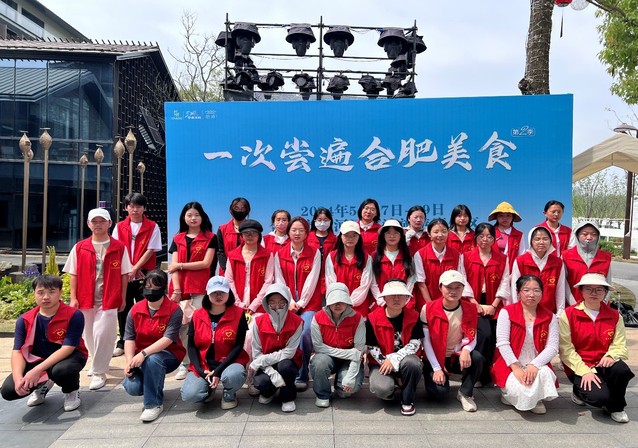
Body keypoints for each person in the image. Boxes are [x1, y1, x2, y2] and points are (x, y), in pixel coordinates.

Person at [63, 207, 132, 391]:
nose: (98, 224)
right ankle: (97, 363)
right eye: (94, 221)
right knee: (88, 335)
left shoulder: (119, 247)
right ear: (88, 224)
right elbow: (73, 274)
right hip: (85, 299)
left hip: (109, 299)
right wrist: (73, 297)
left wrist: (123, 297)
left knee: (104, 334)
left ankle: (99, 372)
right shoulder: (80, 247)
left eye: (102, 221)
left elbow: (124, 274)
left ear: (110, 223)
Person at [1, 275, 87, 412]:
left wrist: (36, 371)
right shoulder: (24, 319)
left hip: (68, 357)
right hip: (37, 359)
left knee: (62, 371)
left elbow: (68, 348)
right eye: (40, 292)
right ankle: (43, 384)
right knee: (9, 391)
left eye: (51, 292)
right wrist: (18, 378)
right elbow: (17, 351)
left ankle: (71, 390)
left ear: (60, 292)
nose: (46, 297)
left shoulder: (74, 315)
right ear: (34, 294)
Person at [559, 273, 635, 423]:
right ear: (581, 291)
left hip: (604, 363)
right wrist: (584, 371)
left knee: (622, 370)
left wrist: (611, 355)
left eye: (599, 289)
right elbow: (565, 349)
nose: (593, 293)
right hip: (579, 366)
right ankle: (578, 392)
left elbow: (620, 344)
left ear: (605, 292)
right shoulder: (568, 314)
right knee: (599, 398)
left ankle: (616, 407)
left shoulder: (615, 316)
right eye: (589, 289)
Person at [123, 270, 185, 422]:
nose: (151, 291)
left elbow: (168, 339)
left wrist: (144, 354)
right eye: (148, 286)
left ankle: (153, 404)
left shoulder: (174, 310)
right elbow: (129, 338)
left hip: (168, 354)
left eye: (156, 287)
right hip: (140, 356)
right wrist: (129, 361)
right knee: (133, 387)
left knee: (153, 360)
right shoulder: (135, 309)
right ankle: (153, 385)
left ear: (163, 288)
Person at [492, 275, 559, 414]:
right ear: (518, 293)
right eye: (526, 290)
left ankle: (535, 398)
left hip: (536, 363)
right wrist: (516, 367)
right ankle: (509, 395)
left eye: (536, 290)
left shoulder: (549, 316)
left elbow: (552, 347)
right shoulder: (507, 312)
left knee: (545, 373)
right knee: (521, 387)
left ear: (542, 293)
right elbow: (502, 343)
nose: (531, 294)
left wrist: (534, 365)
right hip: (511, 364)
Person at [180, 276, 248, 409]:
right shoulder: (197, 315)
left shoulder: (239, 313)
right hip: (204, 363)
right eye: (214, 292)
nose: (219, 296)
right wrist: (200, 371)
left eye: (222, 292)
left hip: (229, 362)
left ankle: (229, 393)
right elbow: (191, 346)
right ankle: (208, 389)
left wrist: (218, 371)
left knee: (235, 375)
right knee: (190, 394)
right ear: (207, 294)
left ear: (229, 293)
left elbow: (239, 345)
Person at [167, 201, 217, 380]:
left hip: (200, 289)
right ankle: (185, 363)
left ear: (202, 217)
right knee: (182, 328)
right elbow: (172, 267)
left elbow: (206, 263)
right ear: (184, 218)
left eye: (196, 215)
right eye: (189, 215)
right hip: (179, 290)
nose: (193, 218)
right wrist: (177, 289)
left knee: (199, 327)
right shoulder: (177, 238)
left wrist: (181, 265)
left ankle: (202, 361)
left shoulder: (210, 237)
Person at [421, 270, 483, 412]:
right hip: (436, 356)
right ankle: (438, 375)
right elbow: (426, 341)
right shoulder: (428, 308)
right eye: (448, 287)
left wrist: (466, 350)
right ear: (440, 287)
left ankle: (465, 393)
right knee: (439, 393)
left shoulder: (470, 308)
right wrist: (436, 368)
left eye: (458, 287)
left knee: (477, 357)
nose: (453, 291)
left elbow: (472, 335)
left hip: (457, 355)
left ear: (463, 288)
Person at [112, 193, 162, 358]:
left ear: (144, 208)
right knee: (123, 307)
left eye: (138, 206)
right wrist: (129, 269)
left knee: (145, 307)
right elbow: (117, 249)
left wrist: (136, 268)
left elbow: (150, 250)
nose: (135, 210)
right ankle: (122, 341)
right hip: (124, 273)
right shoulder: (119, 226)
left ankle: (143, 341)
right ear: (126, 208)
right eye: (131, 206)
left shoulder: (152, 226)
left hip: (144, 273)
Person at [274, 216, 321, 390]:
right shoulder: (279, 254)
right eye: (294, 230)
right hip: (286, 301)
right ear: (288, 232)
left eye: (301, 230)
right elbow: (279, 279)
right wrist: (290, 300)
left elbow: (312, 280)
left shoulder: (315, 253)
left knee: (305, 331)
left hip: (309, 302)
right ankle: (283, 372)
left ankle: (302, 374)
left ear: (307, 233)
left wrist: (300, 302)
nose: (297, 233)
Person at [463, 222, 510, 386]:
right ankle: (477, 374)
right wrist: (473, 302)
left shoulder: (502, 259)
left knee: (495, 338)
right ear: (475, 238)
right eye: (481, 236)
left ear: (494, 239)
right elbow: (463, 280)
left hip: (494, 303)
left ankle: (489, 375)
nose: (485, 239)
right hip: (471, 303)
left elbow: (505, 282)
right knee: (484, 335)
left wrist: (494, 305)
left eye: (489, 236)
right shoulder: (466, 257)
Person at [366, 279, 423, 416]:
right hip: (381, 363)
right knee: (382, 389)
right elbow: (372, 347)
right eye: (392, 295)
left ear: (407, 298)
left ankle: (407, 400)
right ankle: (394, 385)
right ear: (384, 297)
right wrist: (385, 361)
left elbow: (415, 343)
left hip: (405, 360)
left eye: (400, 295)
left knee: (413, 363)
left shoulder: (414, 316)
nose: (396, 299)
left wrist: (393, 360)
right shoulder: (373, 318)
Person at [250, 283, 304, 413]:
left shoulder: (297, 321)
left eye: (281, 302)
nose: (277, 306)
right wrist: (273, 374)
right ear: (266, 303)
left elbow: (289, 352)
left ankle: (287, 397)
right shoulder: (258, 322)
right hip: (266, 365)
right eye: (272, 302)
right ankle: (269, 392)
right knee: (263, 383)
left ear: (287, 301)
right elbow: (256, 353)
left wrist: (262, 360)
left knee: (285, 367)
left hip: (287, 360)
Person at [310, 282, 365, 407]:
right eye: (334, 301)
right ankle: (322, 394)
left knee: (348, 389)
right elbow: (318, 347)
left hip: (349, 361)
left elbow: (358, 352)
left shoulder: (357, 318)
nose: (338, 305)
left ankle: (340, 384)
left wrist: (350, 376)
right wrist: (349, 353)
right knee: (319, 363)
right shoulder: (318, 317)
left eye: (342, 301)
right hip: (326, 357)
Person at [511, 226, 566, 314]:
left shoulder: (558, 262)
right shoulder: (520, 261)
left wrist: (560, 312)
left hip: (549, 311)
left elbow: (560, 288)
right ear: (531, 241)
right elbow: (515, 288)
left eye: (545, 239)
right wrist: (517, 310)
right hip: (525, 311)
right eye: (537, 239)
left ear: (551, 241)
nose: (541, 242)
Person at [325, 221, 373, 318]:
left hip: (360, 306)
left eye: (354, 235)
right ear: (341, 236)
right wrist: (341, 300)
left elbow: (365, 285)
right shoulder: (332, 256)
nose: (350, 239)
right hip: (337, 304)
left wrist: (350, 302)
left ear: (359, 237)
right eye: (346, 235)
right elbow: (331, 282)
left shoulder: (367, 258)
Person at [225, 219, 274, 316]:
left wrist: (255, 304)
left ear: (259, 235)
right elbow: (229, 280)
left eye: (254, 233)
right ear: (241, 235)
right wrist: (238, 303)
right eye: (246, 233)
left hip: (260, 307)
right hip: (235, 305)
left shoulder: (267, 255)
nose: (250, 236)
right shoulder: (232, 255)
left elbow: (268, 281)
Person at [414, 218, 465, 305]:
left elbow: (460, 279)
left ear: (448, 232)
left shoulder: (456, 255)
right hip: (427, 302)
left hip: (450, 303)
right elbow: (421, 283)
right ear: (429, 234)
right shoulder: (420, 254)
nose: (440, 235)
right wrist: (430, 304)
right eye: (436, 232)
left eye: (444, 231)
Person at [562, 221, 612, 305]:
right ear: (577, 235)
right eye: (584, 234)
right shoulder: (566, 256)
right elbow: (563, 283)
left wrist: (603, 302)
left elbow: (608, 282)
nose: (589, 237)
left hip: (598, 306)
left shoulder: (605, 257)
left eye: (593, 234)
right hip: (572, 304)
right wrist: (573, 304)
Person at [370, 219, 415, 310]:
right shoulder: (374, 256)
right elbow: (372, 281)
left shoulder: (408, 256)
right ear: (383, 236)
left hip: (405, 303)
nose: (392, 236)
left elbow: (411, 279)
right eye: (388, 233)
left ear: (401, 236)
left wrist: (405, 299)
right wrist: (381, 300)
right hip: (380, 303)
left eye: (395, 233)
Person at [307, 207, 337, 297]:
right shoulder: (307, 238)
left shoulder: (335, 239)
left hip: (329, 277)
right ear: (314, 221)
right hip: (309, 277)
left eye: (325, 220)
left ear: (330, 221)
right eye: (319, 220)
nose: (322, 223)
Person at [217, 197, 251, 274]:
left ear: (247, 210)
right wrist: (227, 270)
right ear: (231, 210)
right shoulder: (222, 229)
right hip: (226, 271)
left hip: (247, 271)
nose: (239, 211)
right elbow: (220, 252)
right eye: (236, 208)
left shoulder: (253, 230)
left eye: (243, 208)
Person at [488, 201, 525, 271]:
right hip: (491, 270)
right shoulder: (489, 232)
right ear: (496, 217)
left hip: (511, 271)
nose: (505, 218)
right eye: (501, 215)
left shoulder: (519, 235)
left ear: (513, 217)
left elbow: (521, 255)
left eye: (508, 215)